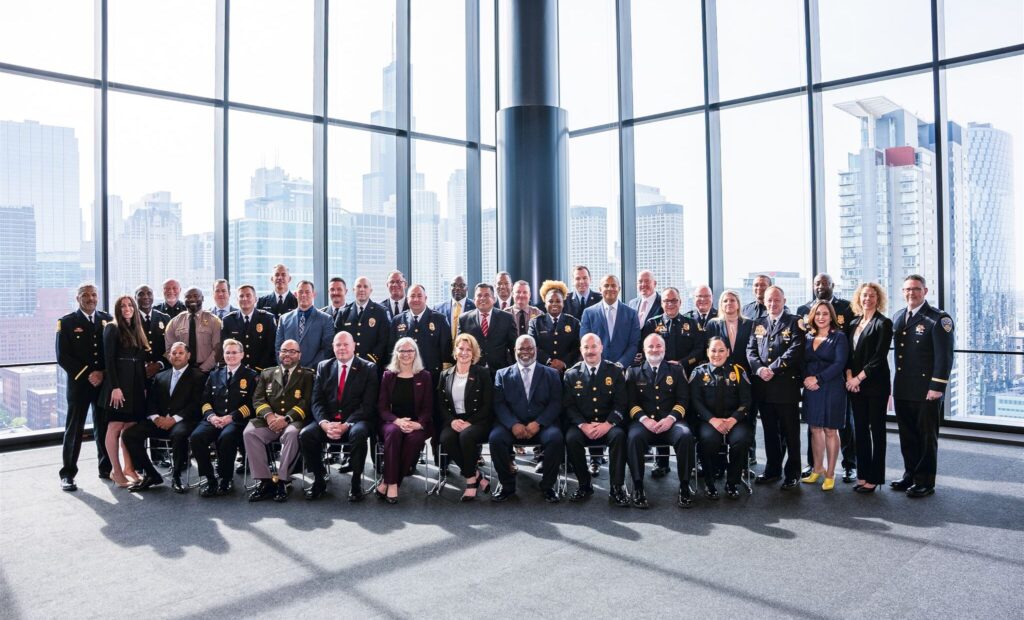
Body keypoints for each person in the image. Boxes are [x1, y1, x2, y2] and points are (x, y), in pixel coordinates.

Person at [891, 275, 954, 498]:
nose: (911, 293)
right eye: (907, 289)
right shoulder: (898, 316)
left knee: (926, 437)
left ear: (925, 291)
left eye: (916, 289)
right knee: (907, 435)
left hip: (927, 389)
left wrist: (937, 387)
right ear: (902, 291)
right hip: (903, 388)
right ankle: (910, 474)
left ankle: (925, 481)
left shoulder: (938, 319)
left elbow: (944, 357)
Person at [301, 331, 379, 501]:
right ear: (333, 347)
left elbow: (368, 404)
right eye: (338, 345)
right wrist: (323, 423)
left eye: (346, 344)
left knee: (358, 434)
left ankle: (356, 482)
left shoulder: (368, 368)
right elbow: (317, 400)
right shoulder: (324, 366)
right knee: (306, 434)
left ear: (354, 346)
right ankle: (319, 479)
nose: (342, 348)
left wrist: (346, 425)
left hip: (356, 419)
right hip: (329, 420)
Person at [489, 335, 564, 503]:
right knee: (495, 438)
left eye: (529, 348)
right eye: (521, 349)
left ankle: (548, 486)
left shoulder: (551, 374)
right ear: (514, 351)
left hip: (542, 425)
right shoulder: (502, 374)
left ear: (536, 350)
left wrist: (539, 423)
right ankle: (506, 486)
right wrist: (513, 424)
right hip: (512, 425)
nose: (526, 352)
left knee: (556, 438)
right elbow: (499, 404)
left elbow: (556, 403)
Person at [122, 342, 205, 493]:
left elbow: (196, 404)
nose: (177, 356)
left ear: (188, 356)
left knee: (179, 435)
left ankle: (177, 476)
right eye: (173, 353)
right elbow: (151, 401)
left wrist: (174, 419)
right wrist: (155, 418)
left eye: (180, 353)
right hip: (160, 421)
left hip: (184, 421)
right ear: (168, 356)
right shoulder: (160, 376)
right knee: (129, 434)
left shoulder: (198, 376)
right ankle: (152, 475)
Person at [797, 273, 856, 482]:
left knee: (831, 430)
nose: (821, 317)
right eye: (817, 314)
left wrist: (818, 379)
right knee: (814, 429)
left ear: (831, 316)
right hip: (811, 387)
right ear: (812, 316)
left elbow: (839, 363)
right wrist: (806, 378)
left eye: (825, 314)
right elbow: (801, 360)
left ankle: (831, 473)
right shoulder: (808, 337)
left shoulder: (838, 336)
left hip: (831, 387)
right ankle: (817, 469)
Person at [625, 333, 695, 508]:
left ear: (665, 349)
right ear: (644, 349)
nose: (655, 350)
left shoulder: (676, 370)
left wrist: (671, 419)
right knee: (633, 438)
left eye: (659, 346)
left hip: (671, 422)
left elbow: (683, 400)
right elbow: (630, 402)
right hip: (644, 423)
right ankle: (638, 486)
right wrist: (644, 419)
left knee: (685, 435)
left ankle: (685, 486)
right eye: (651, 346)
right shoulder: (633, 372)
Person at [747, 286, 805, 490]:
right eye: (769, 300)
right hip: (763, 386)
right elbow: (750, 349)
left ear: (784, 300)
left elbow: (796, 349)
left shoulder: (795, 321)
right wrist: (759, 368)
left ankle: (793, 473)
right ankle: (773, 470)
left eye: (777, 300)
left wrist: (772, 368)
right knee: (770, 432)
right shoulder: (759, 323)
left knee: (790, 433)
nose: (772, 304)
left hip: (785, 387)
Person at [56, 283, 113, 491]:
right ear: (77, 298)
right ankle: (68, 474)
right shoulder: (67, 322)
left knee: (103, 427)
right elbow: (62, 356)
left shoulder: (107, 320)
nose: (90, 298)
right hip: (80, 385)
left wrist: (103, 374)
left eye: (94, 294)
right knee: (74, 429)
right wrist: (89, 373)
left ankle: (106, 468)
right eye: (85, 295)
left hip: (102, 384)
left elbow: (112, 352)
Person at [563, 334, 630, 506]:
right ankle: (584, 485)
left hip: (608, 423)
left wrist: (608, 424)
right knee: (571, 438)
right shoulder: (571, 374)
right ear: (581, 350)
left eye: (594, 346)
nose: (590, 351)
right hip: (582, 425)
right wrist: (583, 425)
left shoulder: (614, 371)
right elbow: (569, 406)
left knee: (619, 436)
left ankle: (617, 487)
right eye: (586, 347)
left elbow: (621, 403)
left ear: (601, 348)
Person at [244, 339, 315, 502]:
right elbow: (258, 399)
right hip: (269, 420)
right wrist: (269, 416)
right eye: (284, 351)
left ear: (299, 355)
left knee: (291, 434)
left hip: (294, 420)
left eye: (292, 351)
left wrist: (287, 418)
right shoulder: (267, 373)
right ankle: (265, 481)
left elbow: (307, 401)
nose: (287, 354)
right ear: (279, 353)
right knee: (250, 433)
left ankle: (283, 481)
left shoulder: (307, 375)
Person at [189, 339, 257, 497]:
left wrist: (231, 417)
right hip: (214, 419)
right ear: (223, 355)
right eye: (227, 352)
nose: (231, 355)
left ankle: (226, 478)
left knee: (226, 438)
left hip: (236, 420)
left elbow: (252, 404)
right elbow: (205, 401)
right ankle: (210, 478)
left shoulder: (250, 375)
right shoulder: (214, 374)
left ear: (242, 354)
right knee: (196, 437)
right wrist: (211, 416)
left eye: (234, 352)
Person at [690, 337, 753, 499]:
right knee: (708, 440)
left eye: (721, 350)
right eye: (713, 350)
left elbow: (746, 401)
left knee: (741, 440)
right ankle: (709, 484)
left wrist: (732, 420)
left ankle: (732, 483)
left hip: (734, 420)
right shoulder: (699, 372)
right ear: (707, 352)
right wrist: (713, 420)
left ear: (728, 352)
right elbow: (695, 402)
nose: (716, 354)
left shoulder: (738, 372)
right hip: (708, 421)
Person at [845, 282, 893, 494]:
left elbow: (879, 357)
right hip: (854, 385)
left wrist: (858, 378)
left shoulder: (884, 323)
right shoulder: (854, 322)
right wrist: (849, 377)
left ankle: (875, 478)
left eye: (872, 296)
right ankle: (862, 474)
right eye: (864, 295)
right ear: (859, 298)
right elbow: (848, 353)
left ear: (878, 299)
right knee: (860, 432)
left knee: (877, 432)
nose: (868, 299)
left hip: (875, 385)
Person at [99, 295, 150, 488]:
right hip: (119, 387)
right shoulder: (112, 328)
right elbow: (109, 361)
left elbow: (139, 363)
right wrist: (115, 388)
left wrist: (143, 388)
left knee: (129, 429)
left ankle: (129, 468)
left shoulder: (137, 329)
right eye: (123, 306)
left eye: (130, 305)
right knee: (115, 428)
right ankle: (116, 471)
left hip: (135, 387)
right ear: (117, 309)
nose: (127, 308)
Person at [375, 338, 434, 504]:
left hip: (417, 424)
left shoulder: (425, 376)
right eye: (402, 351)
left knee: (415, 439)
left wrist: (419, 423)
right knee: (393, 434)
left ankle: (389, 481)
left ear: (415, 353)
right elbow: (382, 407)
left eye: (410, 351)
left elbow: (428, 408)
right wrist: (397, 421)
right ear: (396, 353)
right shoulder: (388, 375)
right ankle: (393, 484)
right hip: (391, 423)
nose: (406, 354)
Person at [437, 333, 494, 501]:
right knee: (445, 438)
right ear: (455, 351)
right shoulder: (445, 374)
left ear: (474, 353)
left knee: (466, 436)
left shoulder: (482, 373)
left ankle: (470, 481)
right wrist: (451, 421)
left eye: (468, 349)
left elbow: (487, 404)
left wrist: (469, 422)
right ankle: (477, 475)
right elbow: (440, 404)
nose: (464, 352)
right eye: (460, 348)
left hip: (478, 420)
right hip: (454, 419)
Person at [705, 290, 756, 465]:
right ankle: (720, 462)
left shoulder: (750, 324)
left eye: (732, 300)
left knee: (747, 417)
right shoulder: (713, 324)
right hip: (719, 378)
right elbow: (710, 351)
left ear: (738, 303)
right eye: (725, 300)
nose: (729, 304)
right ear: (721, 304)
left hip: (744, 377)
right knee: (720, 415)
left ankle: (748, 456)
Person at [580, 274, 641, 369]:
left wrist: (620, 364)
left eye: (613, 285)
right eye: (606, 285)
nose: (610, 288)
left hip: (623, 370)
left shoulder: (631, 314)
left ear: (619, 289)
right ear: (600, 289)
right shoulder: (588, 313)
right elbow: (585, 342)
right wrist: (599, 364)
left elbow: (633, 344)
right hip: (597, 368)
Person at [457, 283, 517, 372]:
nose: (482, 298)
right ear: (474, 299)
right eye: (479, 295)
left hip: (500, 371)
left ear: (494, 299)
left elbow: (514, 347)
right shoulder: (464, 319)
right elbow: (459, 347)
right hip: (473, 371)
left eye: (486, 295)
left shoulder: (507, 318)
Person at [275, 280, 333, 369]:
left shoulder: (326, 319)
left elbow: (327, 349)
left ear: (314, 294)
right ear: (295, 294)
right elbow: (278, 347)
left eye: (307, 292)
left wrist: (308, 369)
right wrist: (286, 367)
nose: (304, 295)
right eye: (300, 292)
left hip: (314, 372)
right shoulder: (284, 319)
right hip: (288, 371)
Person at [334, 276, 391, 367]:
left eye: (365, 286)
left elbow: (383, 340)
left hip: (372, 365)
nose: (362, 289)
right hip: (348, 364)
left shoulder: (380, 312)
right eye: (358, 286)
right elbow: (337, 338)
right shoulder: (344, 313)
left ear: (370, 290)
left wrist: (371, 359)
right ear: (353, 290)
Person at [221, 284, 277, 371]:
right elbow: (225, 349)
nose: (244, 299)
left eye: (248, 295)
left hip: (261, 371)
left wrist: (260, 371)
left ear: (255, 299)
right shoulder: (228, 320)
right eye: (241, 296)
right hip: (237, 372)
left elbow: (270, 349)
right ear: (237, 299)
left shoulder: (267, 319)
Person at [165, 287, 222, 373]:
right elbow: (169, 350)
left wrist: (202, 369)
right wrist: (180, 367)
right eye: (188, 297)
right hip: (182, 372)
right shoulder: (174, 322)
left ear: (202, 298)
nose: (192, 299)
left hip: (207, 372)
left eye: (196, 296)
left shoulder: (214, 321)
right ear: (183, 300)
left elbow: (218, 350)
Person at [529, 280, 581, 374]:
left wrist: (563, 363)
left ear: (563, 303)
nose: (554, 304)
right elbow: (532, 347)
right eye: (550, 301)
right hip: (543, 371)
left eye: (558, 301)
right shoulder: (535, 323)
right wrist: (548, 361)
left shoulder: (574, 323)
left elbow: (577, 348)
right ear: (545, 303)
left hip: (568, 372)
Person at [135, 285, 169, 380]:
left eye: (149, 293)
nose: (146, 297)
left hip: (161, 373)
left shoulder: (165, 318)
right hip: (136, 372)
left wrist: (159, 364)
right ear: (135, 298)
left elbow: (170, 346)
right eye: (141, 294)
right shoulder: (130, 320)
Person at [434, 275, 475, 340]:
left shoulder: (475, 307)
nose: (457, 288)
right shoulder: (438, 309)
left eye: (461, 285)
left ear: (467, 289)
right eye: (454, 285)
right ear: (450, 288)